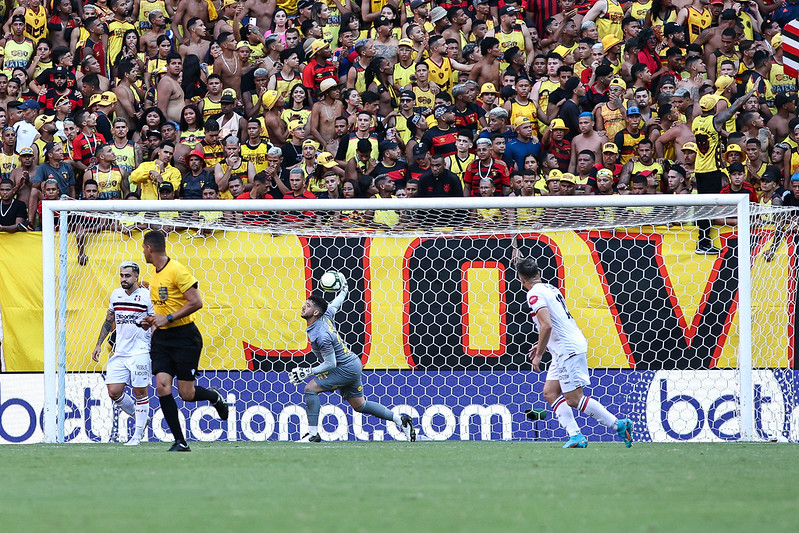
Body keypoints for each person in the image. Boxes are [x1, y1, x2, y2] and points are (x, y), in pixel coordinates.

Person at [516, 257, 633, 448]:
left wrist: (539, 354)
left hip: (567, 349)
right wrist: (542, 346)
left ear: (521, 279)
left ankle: (619, 425)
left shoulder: (534, 295)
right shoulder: (550, 288)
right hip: (562, 348)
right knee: (550, 392)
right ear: (539, 272)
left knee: (574, 399)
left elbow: (546, 325)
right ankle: (576, 436)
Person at [289, 277, 415, 442]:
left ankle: (313, 434)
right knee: (359, 405)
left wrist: (308, 372)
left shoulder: (322, 335)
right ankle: (401, 420)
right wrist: (344, 289)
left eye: (309, 305)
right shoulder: (325, 315)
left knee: (310, 389)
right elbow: (336, 303)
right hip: (352, 363)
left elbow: (330, 363)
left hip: (344, 368)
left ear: (315, 313)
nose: (304, 305)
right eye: (305, 303)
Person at [139, 230, 228, 452]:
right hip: (162, 338)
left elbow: (196, 302)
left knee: (186, 394)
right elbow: (165, 307)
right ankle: (180, 441)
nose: (143, 252)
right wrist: (152, 320)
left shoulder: (177, 270)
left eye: (143, 248)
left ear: (149, 248)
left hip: (184, 337)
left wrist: (167, 318)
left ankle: (214, 397)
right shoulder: (155, 275)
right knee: (162, 387)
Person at [91, 261, 154, 446]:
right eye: (121, 275)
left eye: (127, 276)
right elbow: (109, 320)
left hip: (141, 351)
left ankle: (137, 435)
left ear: (136, 276)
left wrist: (157, 347)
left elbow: (155, 322)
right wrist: (98, 344)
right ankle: (141, 418)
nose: (123, 279)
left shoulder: (146, 296)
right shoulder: (116, 294)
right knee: (114, 391)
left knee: (140, 392)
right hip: (120, 351)